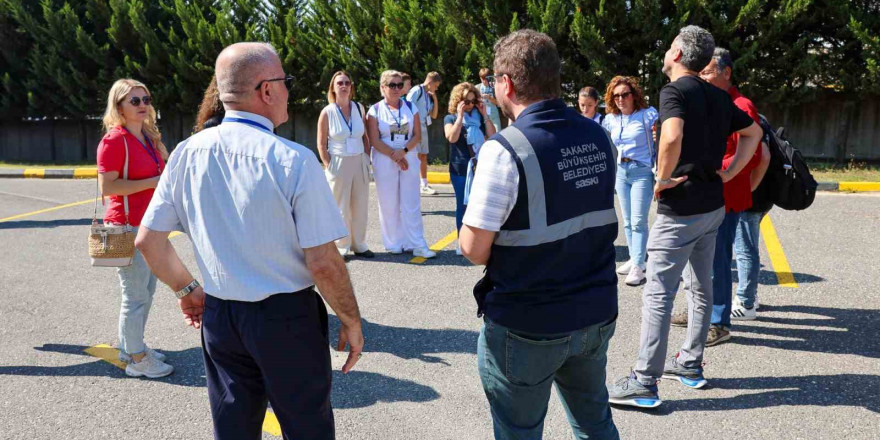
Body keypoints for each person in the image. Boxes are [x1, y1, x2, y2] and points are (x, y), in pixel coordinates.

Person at [135, 42, 364, 440]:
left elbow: (148, 241)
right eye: (286, 81)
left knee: (233, 427)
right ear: (267, 90)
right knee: (306, 424)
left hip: (221, 315)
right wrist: (351, 319)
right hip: (286, 317)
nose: (289, 91)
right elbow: (323, 261)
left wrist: (186, 289)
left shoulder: (187, 153)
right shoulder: (292, 159)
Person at [460, 29, 620, 439]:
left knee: (520, 431)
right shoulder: (599, 135)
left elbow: (475, 250)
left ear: (506, 83)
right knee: (594, 423)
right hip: (594, 313)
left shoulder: (504, 149)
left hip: (528, 324)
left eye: (493, 79)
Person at [607, 26, 762, 409]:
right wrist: (729, 173)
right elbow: (754, 133)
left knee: (658, 293)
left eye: (670, 44)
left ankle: (644, 381)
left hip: (682, 210)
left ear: (677, 54)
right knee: (700, 287)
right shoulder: (717, 94)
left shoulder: (674, 91)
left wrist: (661, 178)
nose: (667, 50)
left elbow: (672, 136)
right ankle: (690, 364)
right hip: (712, 206)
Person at [96, 79, 172, 379]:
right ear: (119, 107)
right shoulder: (114, 140)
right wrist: (153, 182)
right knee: (135, 294)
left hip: (148, 225)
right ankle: (138, 360)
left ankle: (132, 347)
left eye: (146, 99)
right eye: (135, 101)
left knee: (147, 290)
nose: (143, 105)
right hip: (124, 227)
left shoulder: (149, 137)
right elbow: (108, 186)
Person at [366, 70, 436, 258]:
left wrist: (403, 152)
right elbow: (374, 139)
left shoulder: (411, 107)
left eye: (399, 85)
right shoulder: (374, 110)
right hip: (384, 157)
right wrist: (394, 155)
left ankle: (416, 243)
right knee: (388, 202)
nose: (397, 89)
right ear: (383, 87)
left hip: (409, 155)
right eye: (392, 85)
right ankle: (393, 242)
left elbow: (417, 136)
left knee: (411, 201)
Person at [601, 76, 659, 286]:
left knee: (638, 221)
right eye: (616, 95)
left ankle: (639, 266)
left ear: (634, 95)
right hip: (620, 171)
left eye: (625, 94)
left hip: (641, 170)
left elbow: (660, 137)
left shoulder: (647, 115)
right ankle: (636, 258)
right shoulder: (611, 119)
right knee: (627, 220)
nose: (621, 99)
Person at [318, 70, 374, 259]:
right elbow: (321, 142)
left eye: (347, 83)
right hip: (338, 161)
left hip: (359, 160)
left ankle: (359, 244)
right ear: (333, 88)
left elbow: (365, 136)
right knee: (339, 207)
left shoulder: (359, 108)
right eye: (339, 83)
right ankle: (341, 247)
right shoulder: (327, 112)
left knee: (360, 205)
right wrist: (328, 164)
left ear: (351, 86)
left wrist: (366, 157)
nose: (344, 86)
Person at [444, 82, 496, 254]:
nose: (470, 105)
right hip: (460, 168)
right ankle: (462, 242)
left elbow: (493, 135)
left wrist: (484, 115)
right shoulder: (450, 118)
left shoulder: (479, 117)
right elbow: (451, 138)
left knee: (481, 206)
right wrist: (459, 117)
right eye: (466, 101)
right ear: (458, 101)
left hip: (481, 167)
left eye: (473, 101)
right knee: (463, 206)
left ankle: (479, 243)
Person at [407, 72, 442, 195]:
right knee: (414, 156)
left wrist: (435, 99)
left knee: (423, 155)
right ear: (430, 83)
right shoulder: (417, 90)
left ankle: (424, 185)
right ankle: (412, 184)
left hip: (423, 126)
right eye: (436, 85)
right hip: (414, 126)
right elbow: (407, 106)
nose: (436, 88)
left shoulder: (428, 95)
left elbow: (434, 115)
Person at [478, 68, 502, 132]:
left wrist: (490, 98)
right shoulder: (478, 88)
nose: (484, 81)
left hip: (494, 116)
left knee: (498, 134)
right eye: (482, 79)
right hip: (485, 117)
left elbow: (499, 104)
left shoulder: (494, 86)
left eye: (486, 79)